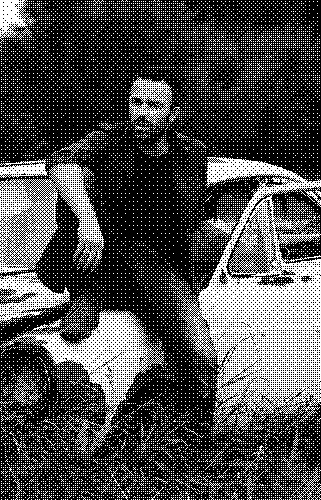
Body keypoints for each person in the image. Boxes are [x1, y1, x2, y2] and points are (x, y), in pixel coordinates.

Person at [39, 69, 217, 497]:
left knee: (199, 353)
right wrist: (86, 218)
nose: (140, 112)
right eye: (136, 102)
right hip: (99, 256)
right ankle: (87, 292)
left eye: (153, 105)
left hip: (154, 265)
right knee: (76, 209)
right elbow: (61, 164)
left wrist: (190, 278)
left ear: (172, 115)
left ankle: (191, 457)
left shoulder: (190, 157)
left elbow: (192, 226)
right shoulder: (111, 138)